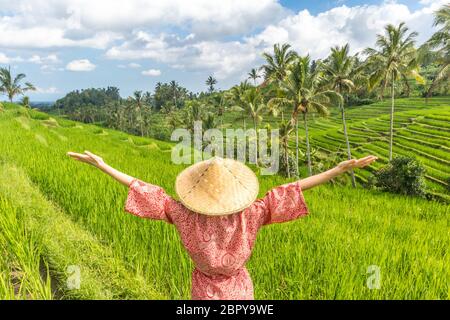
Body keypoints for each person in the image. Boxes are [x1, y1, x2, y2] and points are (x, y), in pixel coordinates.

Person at [67, 150, 377, 300]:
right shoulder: (251, 214)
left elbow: (145, 189)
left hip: (204, 290)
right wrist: (335, 170)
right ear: (235, 192)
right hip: (239, 290)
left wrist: (104, 166)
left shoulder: (183, 214)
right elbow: (290, 190)